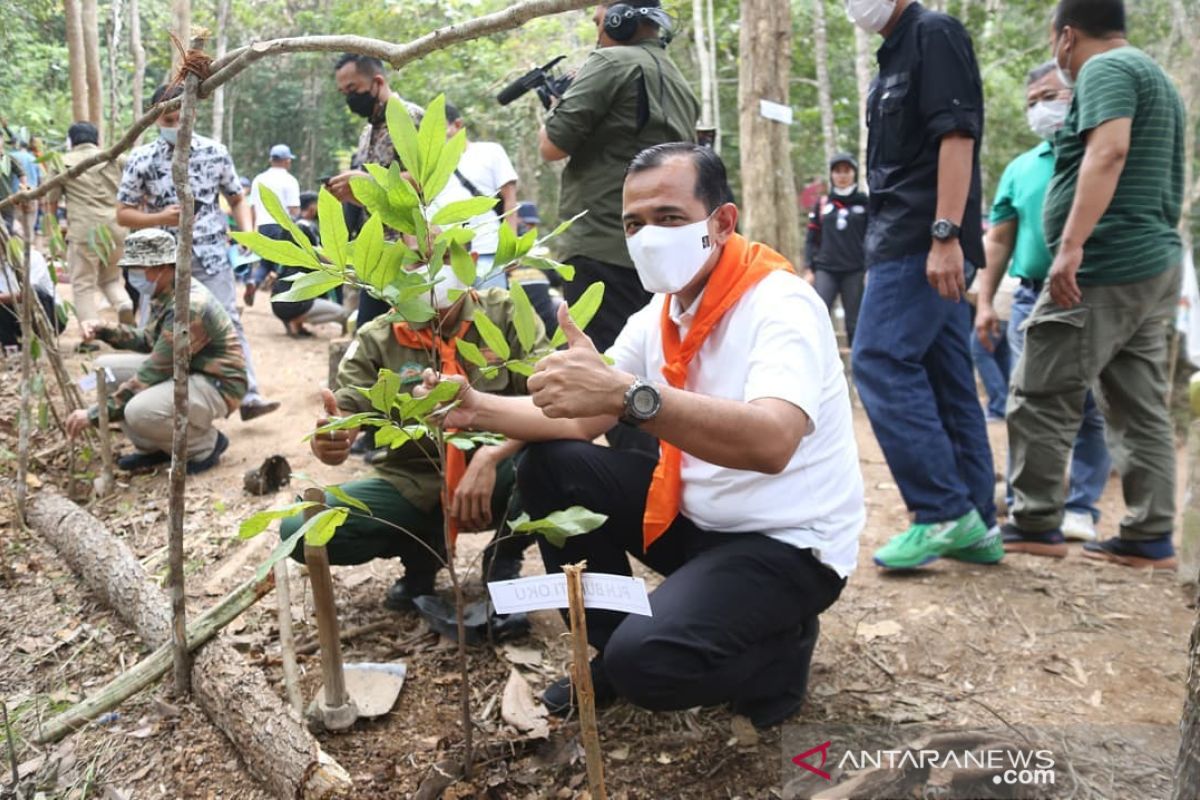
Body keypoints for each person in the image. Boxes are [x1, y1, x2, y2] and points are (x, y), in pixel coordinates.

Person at [423, 143, 863, 728]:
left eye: (669, 218)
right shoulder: (659, 312)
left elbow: (771, 442)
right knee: (553, 466)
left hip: (785, 548)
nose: (649, 236)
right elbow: (579, 417)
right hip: (696, 521)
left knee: (648, 666)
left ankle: (776, 652)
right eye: (634, 223)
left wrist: (630, 396)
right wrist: (475, 407)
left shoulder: (780, 305)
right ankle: (614, 643)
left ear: (721, 223)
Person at [1005, 0, 1186, 569]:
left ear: (1066, 36)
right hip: (1150, 263)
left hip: (1105, 263)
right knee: (1137, 403)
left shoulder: (1106, 70)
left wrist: (1071, 246)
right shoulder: (1154, 74)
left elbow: (1109, 151)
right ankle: (1149, 533)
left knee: (1040, 390)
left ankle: (1034, 519)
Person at [278, 261, 549, 612]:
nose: (431, 263)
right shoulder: (378, 336)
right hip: (411, 481)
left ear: (471, 254)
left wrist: (490, 457)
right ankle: (421, 553)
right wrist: (332, 439)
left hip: (501, 473)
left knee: (561, 456)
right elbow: (345, 412)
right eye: (416, 258)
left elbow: (553, 405)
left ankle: (503, 557)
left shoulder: (506, 312)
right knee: (302, 529)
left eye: (444, 254)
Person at [847, 0, 1000, 570]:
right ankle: (977, 523)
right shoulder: (891, 54)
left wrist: (945, 235)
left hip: (920, 240)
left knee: (880, 359)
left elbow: (957, 137)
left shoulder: (934, 34)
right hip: (905, 236)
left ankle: (940, 511)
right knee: (945, 376)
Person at [974, 62, 1111, 542]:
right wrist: (985, 301)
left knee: (1091, 405)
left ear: (1076, 96)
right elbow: (999, 241)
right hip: (1030, 295)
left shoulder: (1101, 154)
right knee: (1023, 403)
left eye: (1049, 97)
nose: (1040, 109)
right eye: (1032, 102)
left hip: (1090, 293)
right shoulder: (1020, 168)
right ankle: (1024, 506)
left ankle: (1081, 507)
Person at [539, 1, 700, 354]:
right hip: (663, 250)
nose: (598, 33)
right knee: (653, 366)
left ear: (618, 20)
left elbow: (551, 146)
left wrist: (556, 107)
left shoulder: (609, 63)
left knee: (598, 372)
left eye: (599, 21)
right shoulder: (678, 79)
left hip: (602, 243)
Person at [116, 84, 279, 421]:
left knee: (229, 322)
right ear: (154, 119)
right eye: (168, 119)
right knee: (153, 328)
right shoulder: (141, 158)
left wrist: (246, 233)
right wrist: (160, 217)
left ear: (193, 113)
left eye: (181, 117)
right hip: (160, 264)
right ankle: (144, 403)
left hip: (211, 257)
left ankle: (247, 394)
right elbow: (123, 212)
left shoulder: (215, 152)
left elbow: (236, 197)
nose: (176, 125)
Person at [64, 229, 245, 474]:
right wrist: (104, 330)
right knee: (103, 369)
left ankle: (203, 446)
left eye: (139, 268)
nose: (134, 275)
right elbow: (150, 340)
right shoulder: (168, 291)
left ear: (163, 266)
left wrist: (94, 415)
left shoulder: (189, 306)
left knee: (138, 409)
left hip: (218, 383)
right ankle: (155, 446)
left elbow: (151, 373)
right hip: (189, 369)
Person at [326, 53, 426, 330]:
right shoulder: (367, 131)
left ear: (378, 82)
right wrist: (351, 194)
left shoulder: (410, 118)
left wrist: (368, 181)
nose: (348, 98)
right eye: (343, 92)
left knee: (407, 341)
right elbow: (375, 197)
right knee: (369, 341)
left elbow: (425, 182)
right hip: (373, 255)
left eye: (353, 90)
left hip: (407, 258)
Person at [45, 121, 134, 331]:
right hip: (117, 230)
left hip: (84, 231)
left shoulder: (62, 162)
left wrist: (54, 236)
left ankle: (89, 333)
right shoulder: (118, 159)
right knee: (111, 279)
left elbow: (50, 203)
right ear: (97, 140)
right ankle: (124, 304)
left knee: (83, 283)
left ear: (70, 141)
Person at [443, 102, 519, 288]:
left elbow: (510, 200)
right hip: (449, 260)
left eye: (441, 127)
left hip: (488, 252)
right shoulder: (432, 166)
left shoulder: (490, 152)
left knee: (492, 311)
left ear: (458, 125)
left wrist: (511, 250)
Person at [804, 153, 868, 347]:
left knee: (855, 321)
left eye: (846, 171)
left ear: (854, 173)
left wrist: (871, 267)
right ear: (831, 175)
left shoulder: (865, 203)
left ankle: (858, 371)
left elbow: (873, 236)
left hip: (855, 269)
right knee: (817, 314)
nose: (842, 176)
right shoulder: (823, 204)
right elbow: (811, 239)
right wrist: (809, 268)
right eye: (837, 171)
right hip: (826, 269)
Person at [269, 191, 349, 336]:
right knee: (345, 314)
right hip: (296, 301)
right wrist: (346, 266)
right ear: (312, 208)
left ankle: (296, 323)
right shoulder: (306, 227)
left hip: (277, 298)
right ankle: (296, 320)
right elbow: (322, 257)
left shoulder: (289, 226)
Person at [244, 144, 301, 306]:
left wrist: (254, 229)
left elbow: (252, 207)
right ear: (287, 161)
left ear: (271, 160)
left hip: (263, 226)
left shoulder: (259, 179)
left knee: (264, 263)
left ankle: (254, 282)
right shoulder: (290, 180)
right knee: (284, 264)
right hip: (282, 227)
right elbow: (294, 210)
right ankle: (281, 301)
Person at [0, 246, 65, 350]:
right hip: (16, 319)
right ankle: (11, 347)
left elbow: (29, 293)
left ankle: (44, 338)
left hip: (50, 316)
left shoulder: (31, 257)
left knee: (35, 293)